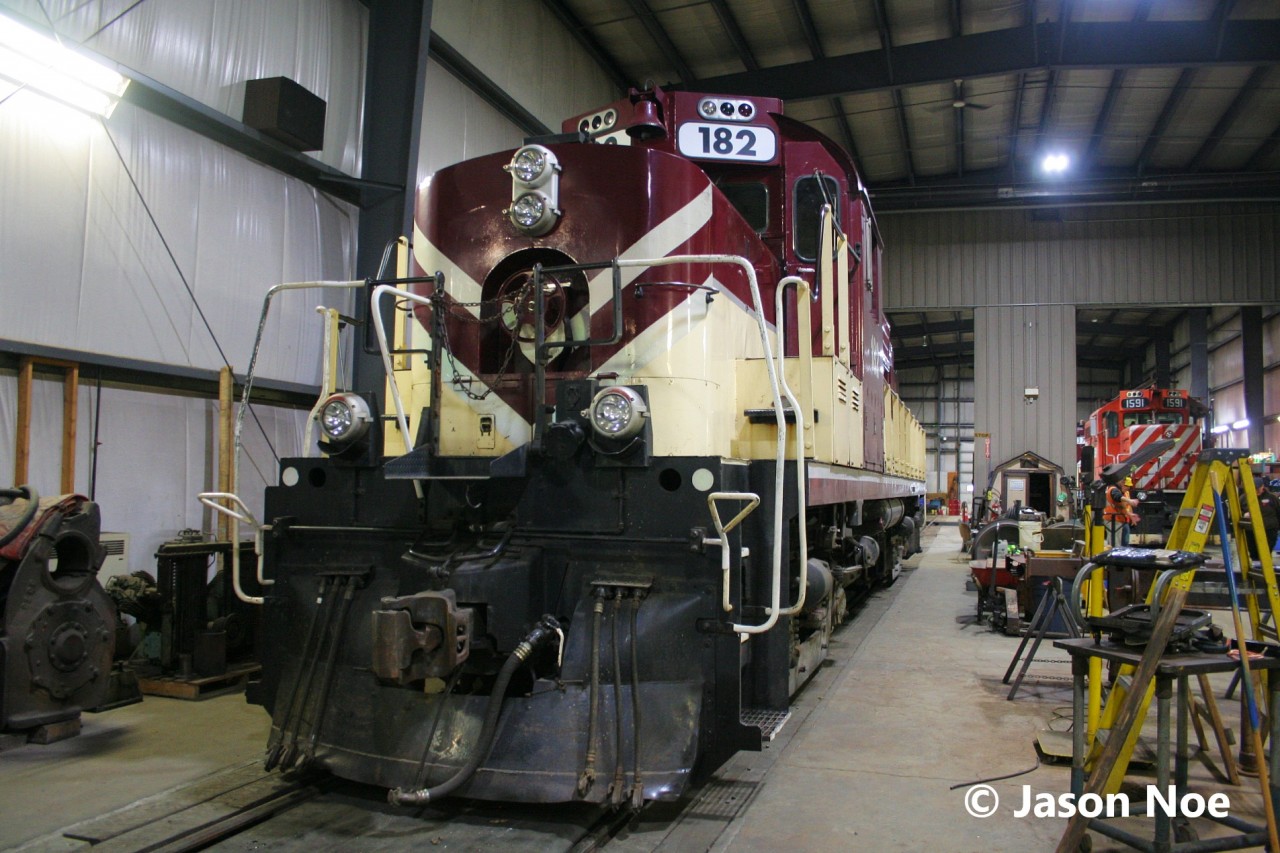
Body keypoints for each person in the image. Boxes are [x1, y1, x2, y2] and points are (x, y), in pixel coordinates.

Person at [1240, 475, 1280, 563]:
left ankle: (1266, 568)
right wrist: (1244, 515)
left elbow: (1278, 512)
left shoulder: (1272, 498)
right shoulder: (1244, 498)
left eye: (1258, 488)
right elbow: (1237, 513)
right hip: (1251, 530)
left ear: (1263, 487)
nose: (1257, 491)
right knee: (1254, 553)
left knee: (1266, 552)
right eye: (1254, 488)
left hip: (1269, 530)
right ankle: (1257, 567)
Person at [1104, 476, 1140, 547]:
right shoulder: (1113, 489)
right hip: (1113, 520)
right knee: (1115, 543)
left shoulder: (1123, 492)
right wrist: (1129, 501)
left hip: (1121, 520)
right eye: (1126, 485)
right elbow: (1117, 496)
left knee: (1123, 543)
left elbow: (1122, 507)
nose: (1128, 488)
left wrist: (1130, 515)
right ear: (1121, 482)